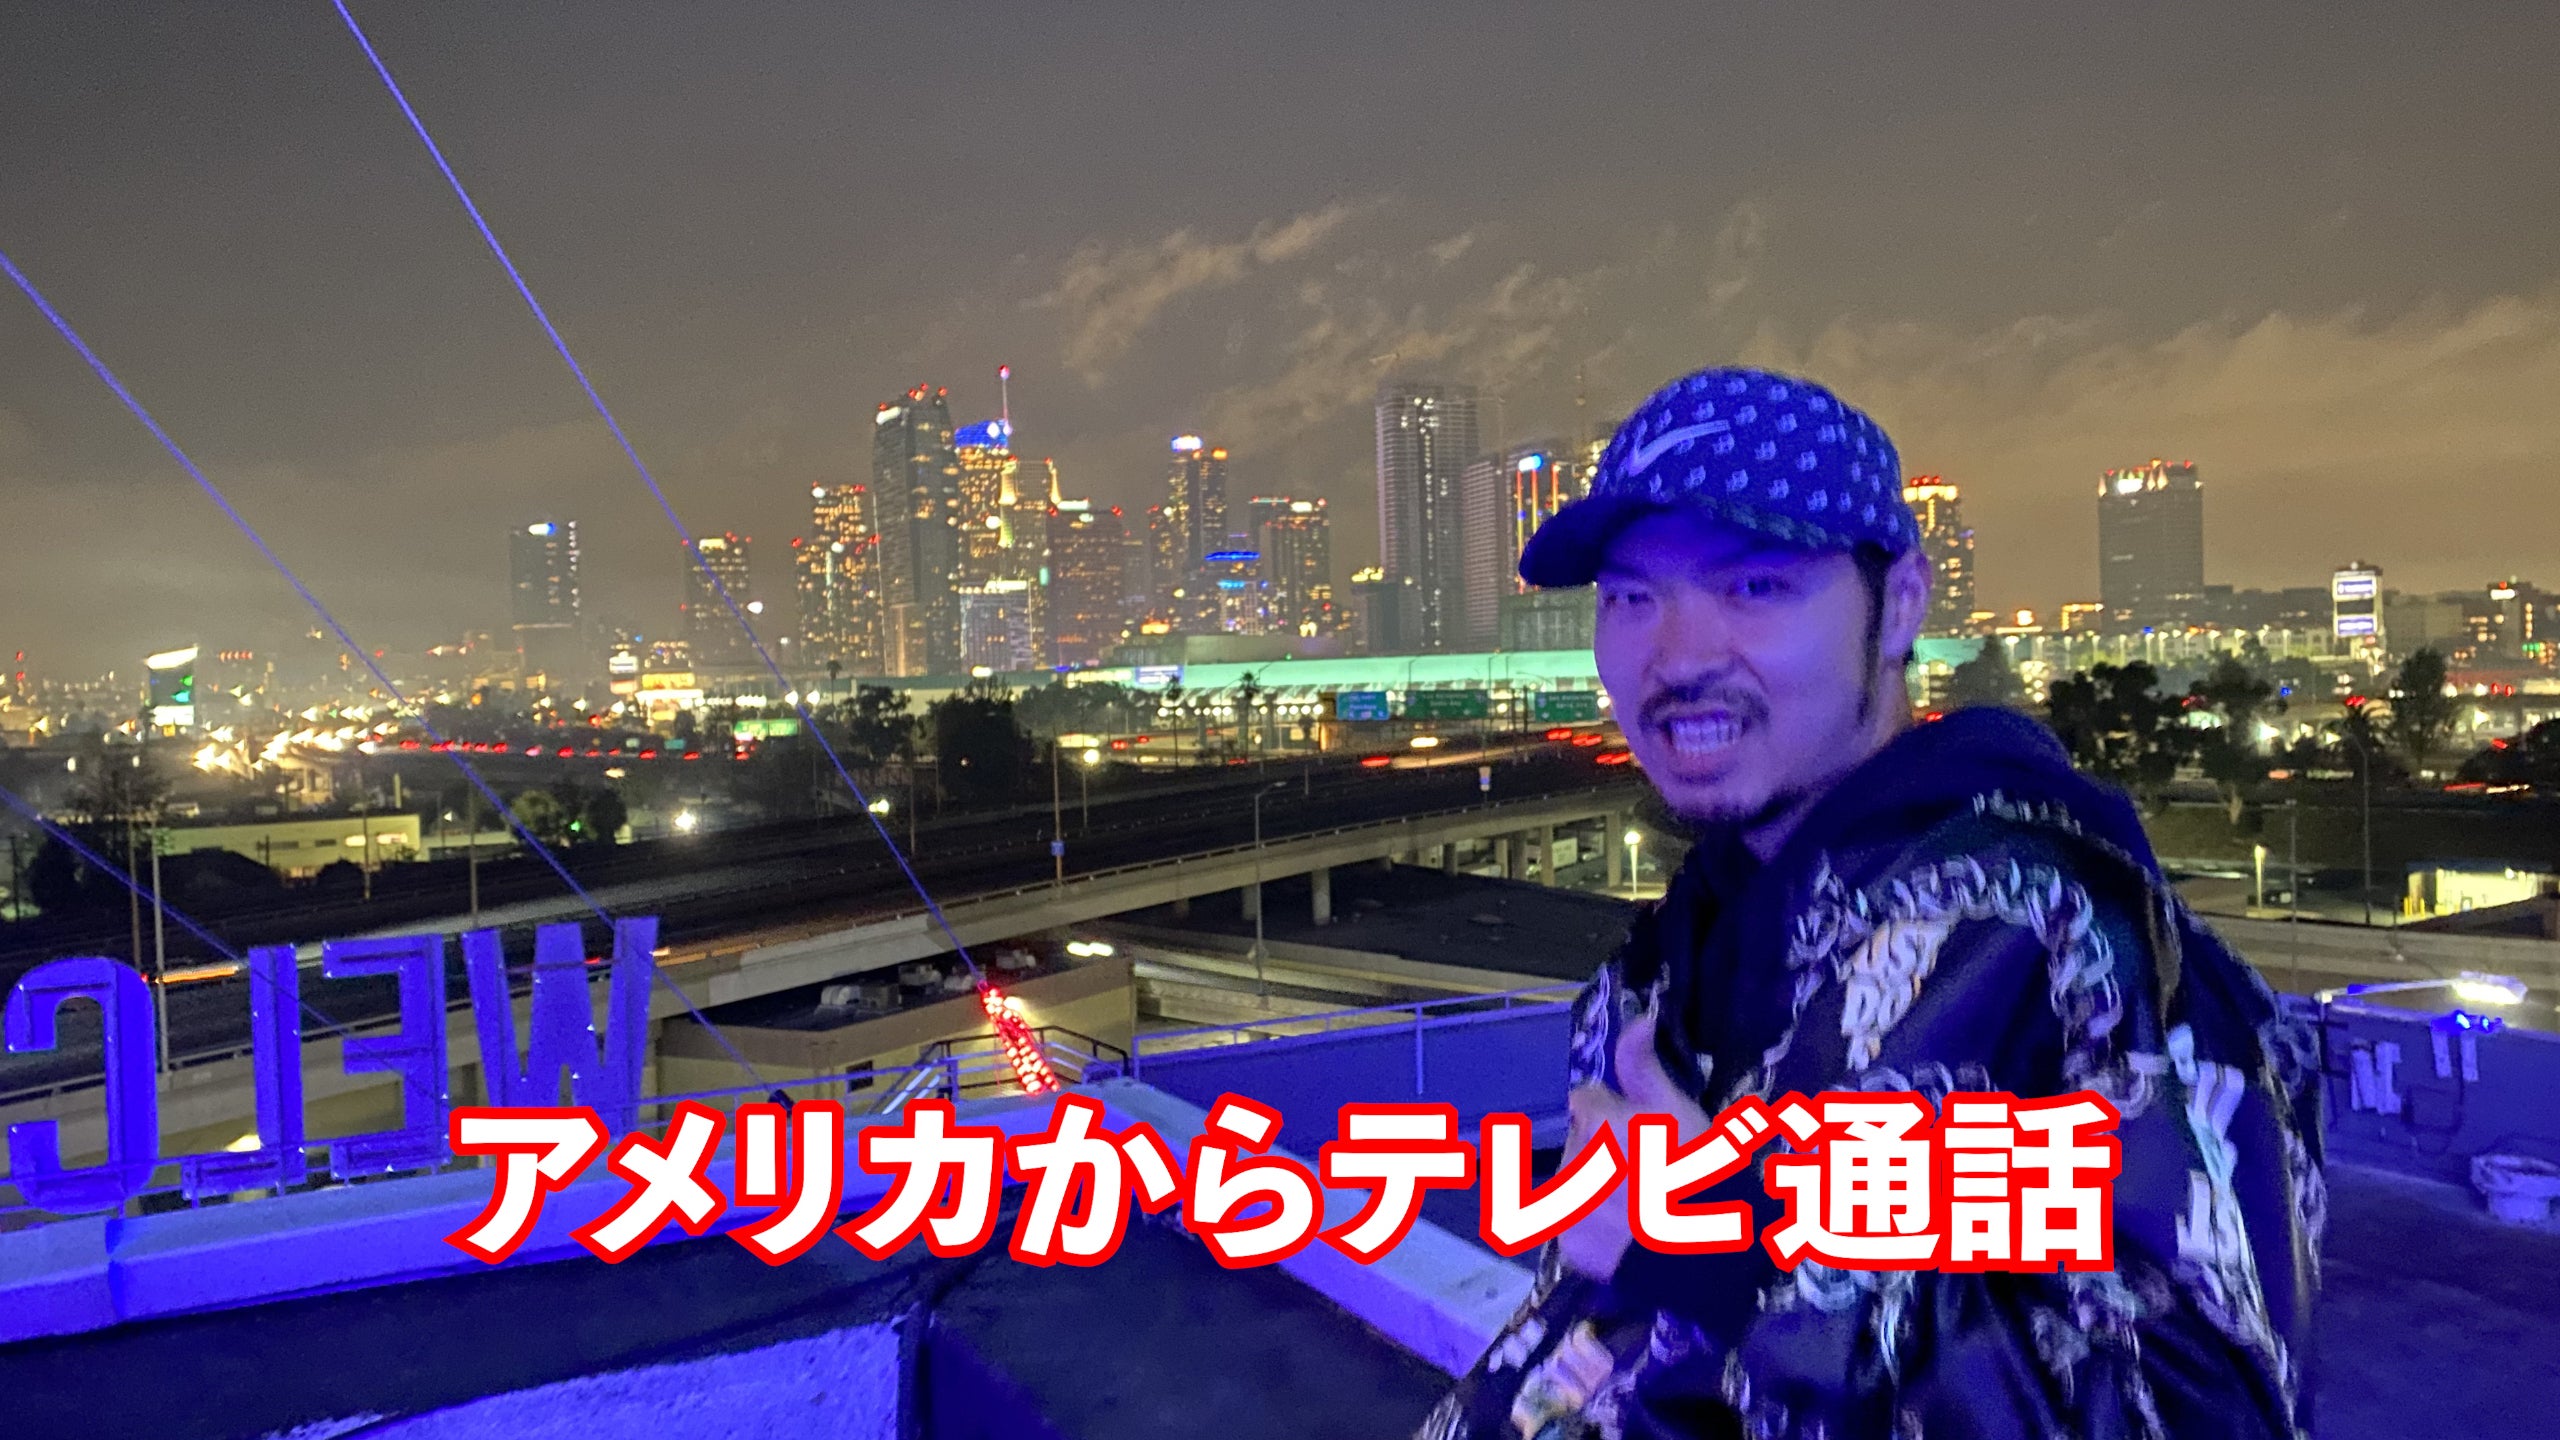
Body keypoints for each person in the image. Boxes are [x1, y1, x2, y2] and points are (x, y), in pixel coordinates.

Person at [1416, 368, 2323, 1440]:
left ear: (1898, 607)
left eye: (1756, 585)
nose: (1677, 656)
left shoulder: (2059, 946)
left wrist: (1719, 1240)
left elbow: (2196, 1408)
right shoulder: (1666, 962)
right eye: (1630, 598)